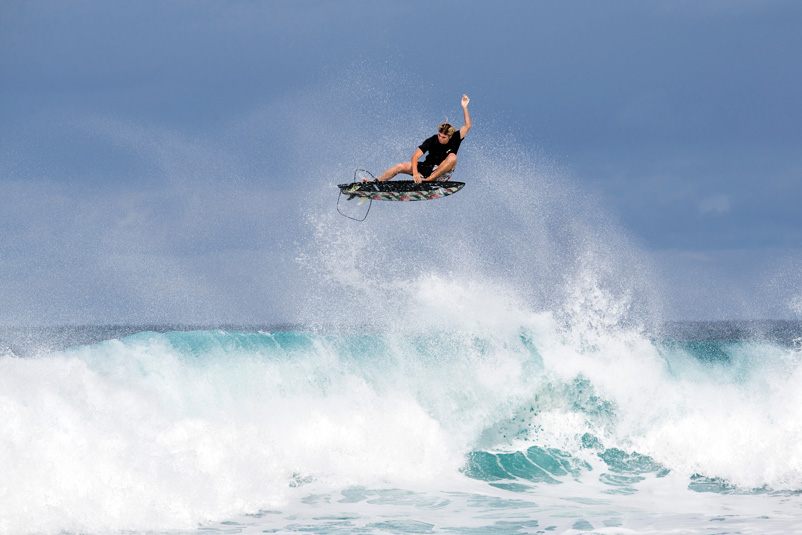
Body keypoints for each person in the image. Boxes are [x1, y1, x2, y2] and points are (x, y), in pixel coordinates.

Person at [370, 94, 471, 184]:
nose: (440, 138)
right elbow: (415, 157)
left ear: (450, 136)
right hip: (428, 167)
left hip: (442, 173)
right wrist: (415, 173)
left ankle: (430, 180)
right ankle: (376, 183)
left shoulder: (456, 137)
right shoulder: (432, 140)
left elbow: (468, 125)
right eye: (439, 135)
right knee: (400, 166)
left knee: (453, 157)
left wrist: (464, 107)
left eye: (443, 137)